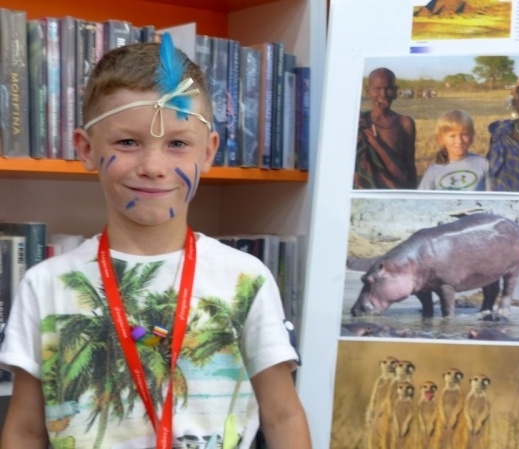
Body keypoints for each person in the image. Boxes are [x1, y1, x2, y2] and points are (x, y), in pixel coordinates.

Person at [0, 35, 311, 449]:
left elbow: (283, 415)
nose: (153, 167)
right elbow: (25, 430)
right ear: (86, 149)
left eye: (178, 144)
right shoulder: (44, 285)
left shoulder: (245, 278)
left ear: (209, 151)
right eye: (127, 142)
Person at [354, 67, 417, 190]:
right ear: (368, 91)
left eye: (388, 89)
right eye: (377, 89)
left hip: (395, 189)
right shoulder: (359, 123)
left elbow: (409, 162)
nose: (383, 94)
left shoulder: (404, 123)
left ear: (395, 91)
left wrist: (413, 193)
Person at [418, 109, 491, 191]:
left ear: (471, 136)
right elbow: (422, 201)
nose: (459, 141)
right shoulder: (433, 171)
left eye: (464, 135)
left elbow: (492, 197)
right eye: (452, 136)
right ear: (441, 139)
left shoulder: (483, 164)